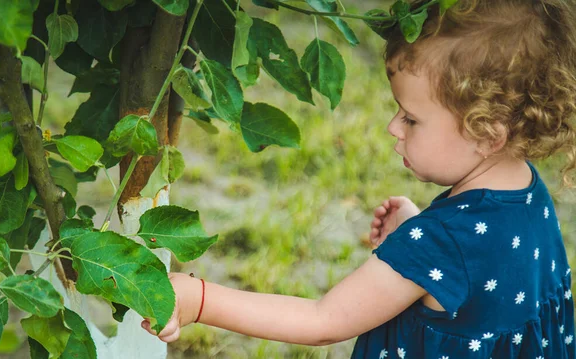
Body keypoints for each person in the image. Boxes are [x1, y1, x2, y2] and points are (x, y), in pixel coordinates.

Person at [141, 0, 576, 357]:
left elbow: (324, 320)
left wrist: (199, 299)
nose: (393, 127)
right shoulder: (529, 192)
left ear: (487, 133)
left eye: (411, 119)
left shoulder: (439, 244)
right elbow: (481, 281)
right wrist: (416, 236)